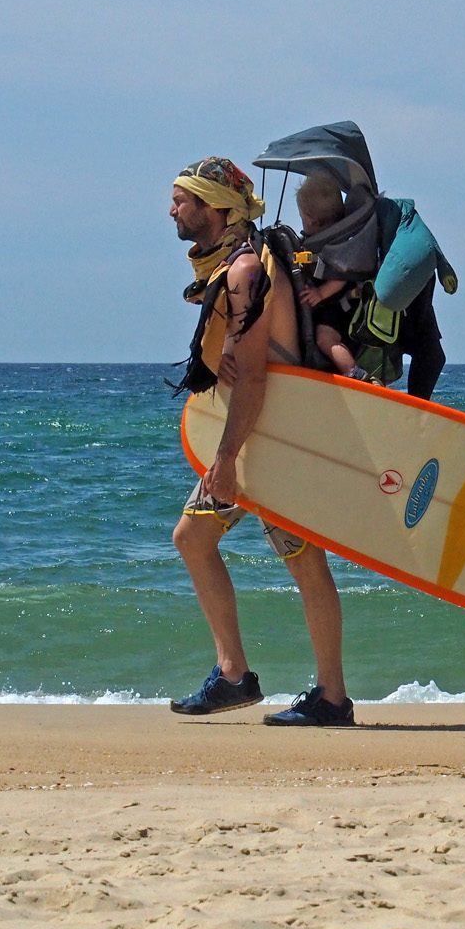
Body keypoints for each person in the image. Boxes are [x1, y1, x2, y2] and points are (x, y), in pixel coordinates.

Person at [166, 157, 355, 726]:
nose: (172, 209)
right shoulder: (234, 266)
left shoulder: (247, 270)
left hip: (271, 438)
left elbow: (254, 376)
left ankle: (332, 697)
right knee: (194, 539)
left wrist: (225, 459)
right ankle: (233, 676)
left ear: (214, 207)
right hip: (254, 434)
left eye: (183, 199)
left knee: (303, 560)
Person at [292, 174, 372, 382]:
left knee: (325, 338)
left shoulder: (337, 246)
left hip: (339, 307)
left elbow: (342, 276)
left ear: (309, 218)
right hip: (328, 305)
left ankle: (354, 372)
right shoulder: (315, 242)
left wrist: (320, 292)